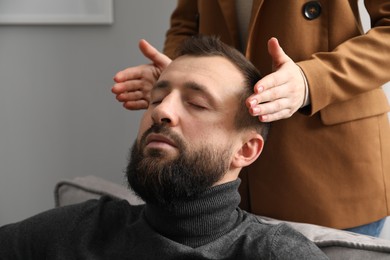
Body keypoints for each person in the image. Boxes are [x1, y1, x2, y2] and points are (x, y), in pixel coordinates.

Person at [0, 36, 328, 259]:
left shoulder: (276, 253)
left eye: (197, 103)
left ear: (245, 151)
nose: (160, 111)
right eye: (157, 97)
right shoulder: (81, 231)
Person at [111, 1, 390, 236]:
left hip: (330, 165)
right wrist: (178, 78)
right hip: (218, 168)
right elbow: (187, 22)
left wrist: (311, 81)